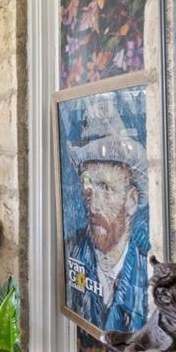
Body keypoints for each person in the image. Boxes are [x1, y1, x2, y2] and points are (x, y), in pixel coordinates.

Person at [65, 100, 148, 333]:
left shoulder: (146, 269)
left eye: (106, 188)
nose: (94, 204)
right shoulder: (73, 250)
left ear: (131, 200)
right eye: (88, 185)